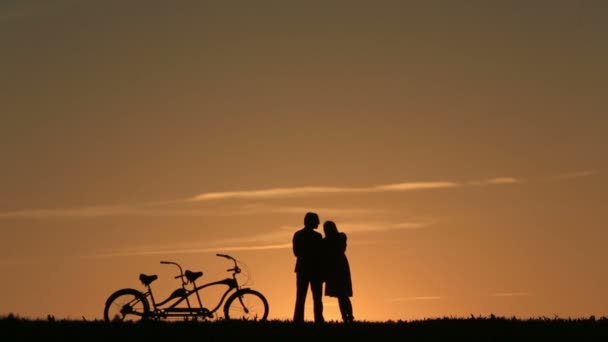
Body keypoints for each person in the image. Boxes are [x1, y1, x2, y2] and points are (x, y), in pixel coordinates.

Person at [292, 212, 325, 323]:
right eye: (317, 221)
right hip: (315, 270)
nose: (319, 223)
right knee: (316, 298)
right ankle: (319, 320)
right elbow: (321, 254)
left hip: (303, 269)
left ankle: (298, 320)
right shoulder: (318, 236)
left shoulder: (298, 234)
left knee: (301, 297)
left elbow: (296, 252)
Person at [322, 220, 354, 322]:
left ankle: (348, 316)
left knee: (342, 295)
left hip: (338, 268)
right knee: (341, 296)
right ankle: (346, 316)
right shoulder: (333, 239)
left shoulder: (340, 237)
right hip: (334, 268)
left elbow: (341, 248)